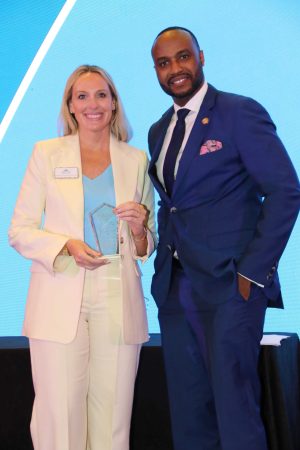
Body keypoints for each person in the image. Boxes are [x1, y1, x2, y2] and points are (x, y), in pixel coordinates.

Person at [148, 26, 300, 450]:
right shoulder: (159, 131)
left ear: (201, 56)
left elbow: (286, 191)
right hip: (177, 289)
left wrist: (252, 272)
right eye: (164, 63)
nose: (175, 69)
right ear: (156, 71)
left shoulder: (238, 112)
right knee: (189, 411)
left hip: (231, 285)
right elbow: (173, 204)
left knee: (235, 409)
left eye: (183, 57)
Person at [8, 64, 156, 450]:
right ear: (70, 106)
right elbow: (19, 230)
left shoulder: (136, 160)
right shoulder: (46, 154)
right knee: (60, 417)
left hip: (117, 293)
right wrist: (66, 246)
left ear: (114, 103)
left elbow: (145, 245)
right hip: (60, 288)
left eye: (102, 95)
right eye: (83, 96)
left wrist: (140, 229)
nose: (93, 104)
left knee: (113, 420)